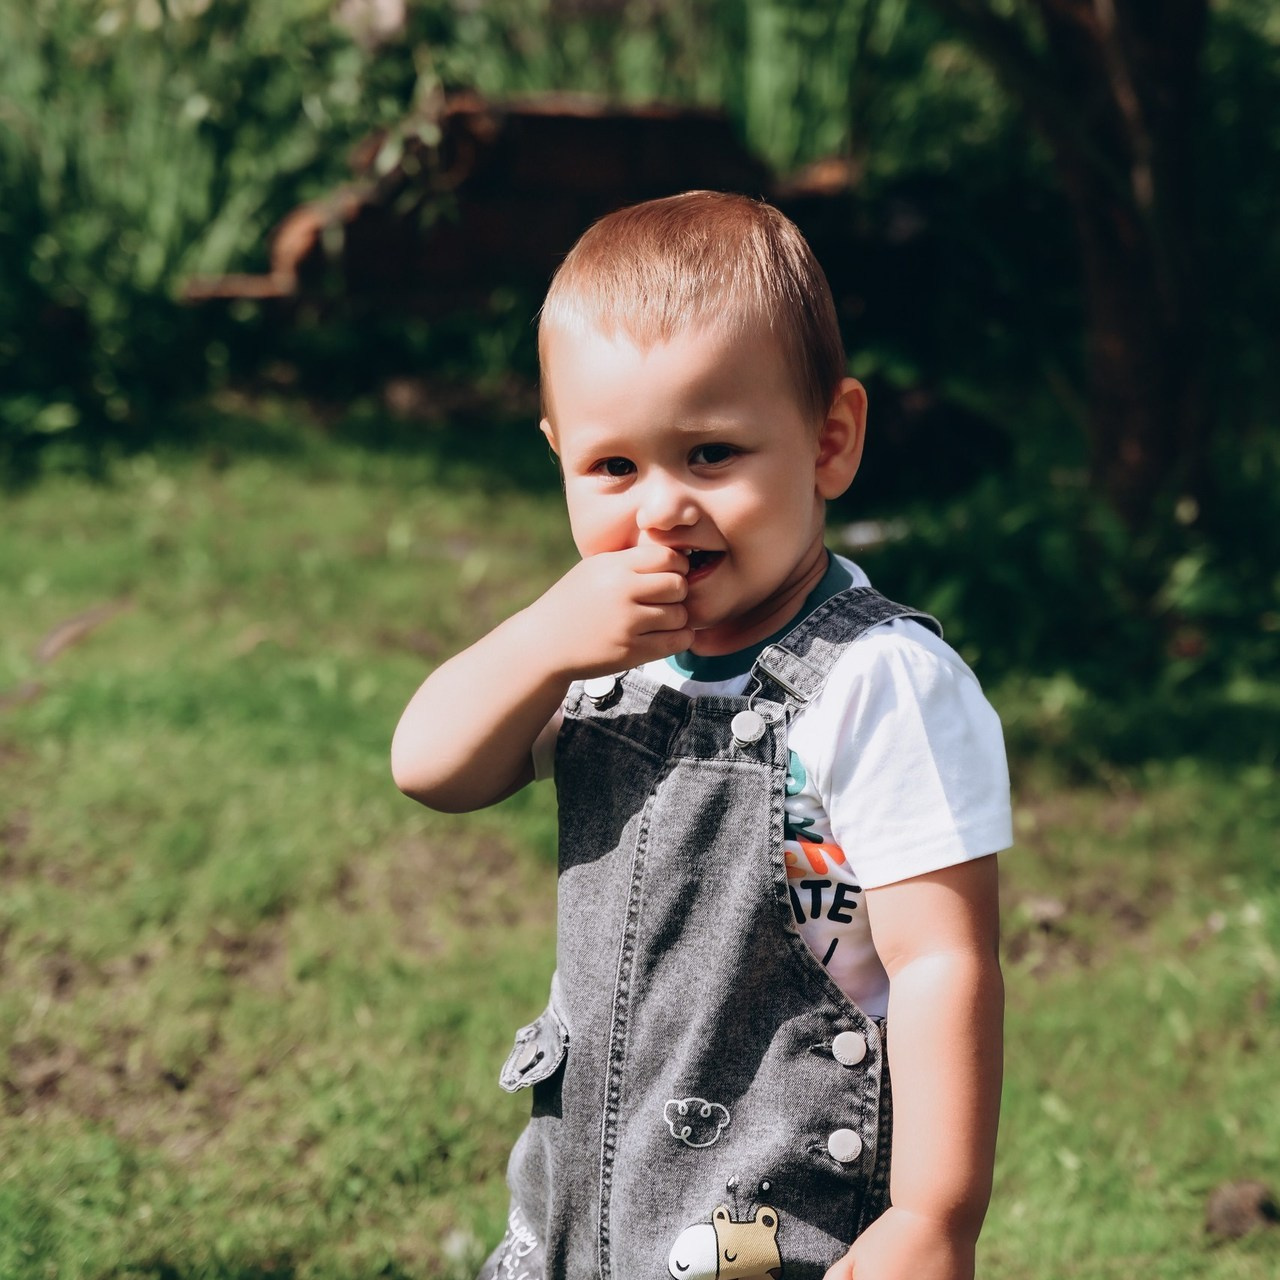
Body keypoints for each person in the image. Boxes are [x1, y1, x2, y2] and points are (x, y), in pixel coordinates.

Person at [391, 191, 1012, 1280]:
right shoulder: (598, 656)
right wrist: (540, 639)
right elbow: (428, 767)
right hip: (579, 1218)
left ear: (828, 442)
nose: (661, 509)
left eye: (711, 453)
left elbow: (942, 962)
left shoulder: (879, 684)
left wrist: (933, 1215)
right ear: (557, 457)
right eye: (613, 468)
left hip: (765, 1227)